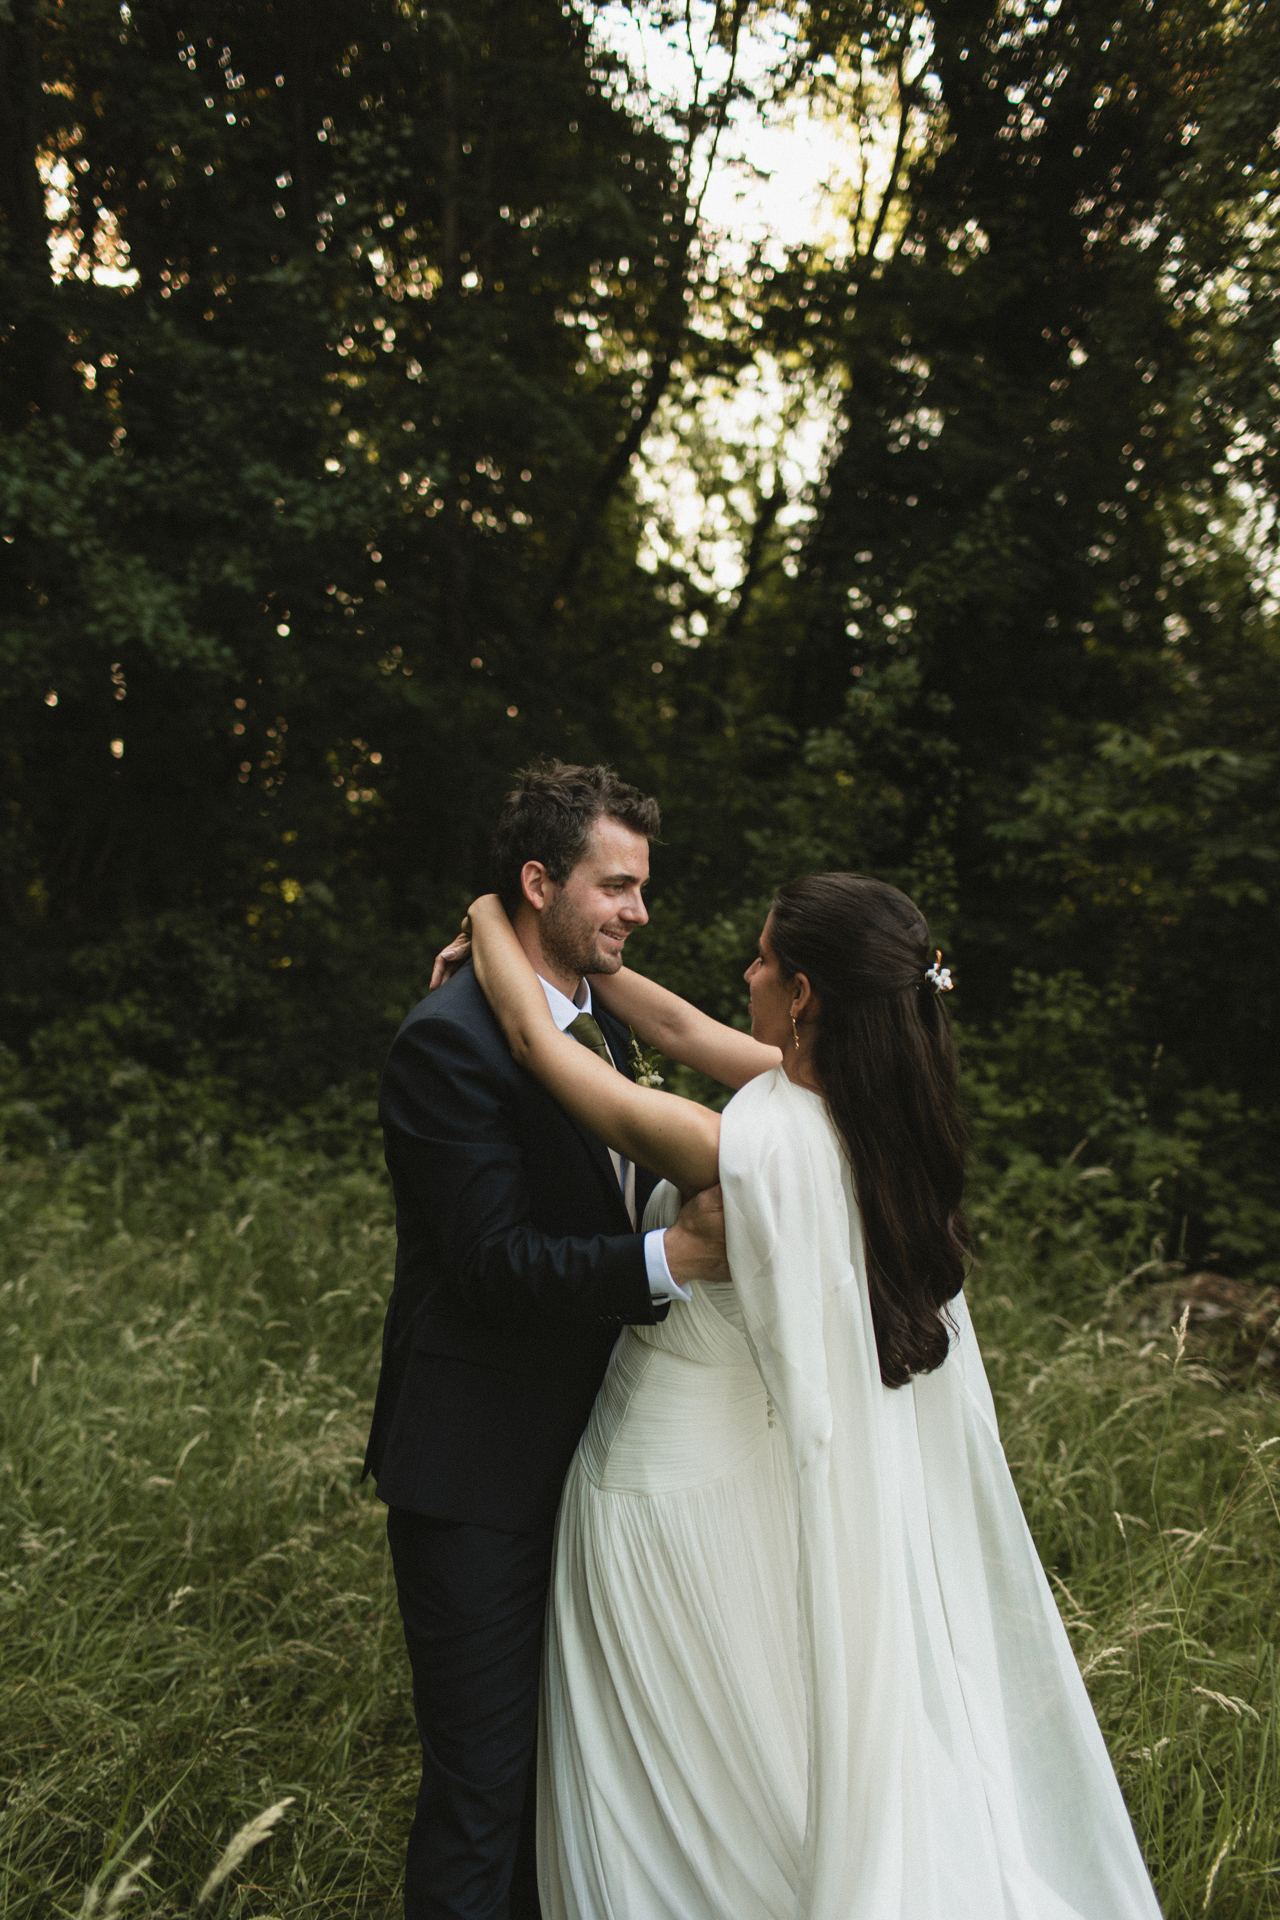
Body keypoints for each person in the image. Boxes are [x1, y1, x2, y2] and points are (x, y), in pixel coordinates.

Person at [461, 873, 1166, 1920]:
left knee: (663, 1778)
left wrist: (488, 917)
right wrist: (569, 961)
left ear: (801, 997)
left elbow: (537, 1046)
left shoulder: (746, 1152)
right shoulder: (859, 1119)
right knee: (724, 1750)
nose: (741, 973)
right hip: (720, 1479)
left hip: (653, 1491)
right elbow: (679, 1027)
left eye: (760, 960)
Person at [363, 762, 734, 1920]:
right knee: (483, 1788)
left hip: (583, 1457)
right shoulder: (450, 1039)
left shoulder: (589, 1025)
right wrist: (669, 1261)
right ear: (539, 884)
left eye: (639, 887)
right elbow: (489, 1263)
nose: (638, 911)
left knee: (557, 1780)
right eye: (615, 887)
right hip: (478, 1469)